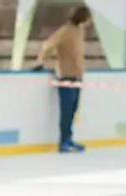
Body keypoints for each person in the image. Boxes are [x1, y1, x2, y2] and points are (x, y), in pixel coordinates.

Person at [34, 4, 91, 153]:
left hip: (77, 75)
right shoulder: (65, 31)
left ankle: (69, 138)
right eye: (88, 19)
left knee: (73, 109)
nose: (89, 22)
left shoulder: (79, 31)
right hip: (65, 75)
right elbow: (48, 45)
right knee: (66, 109)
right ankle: (63, 141)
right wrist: (41, 61)